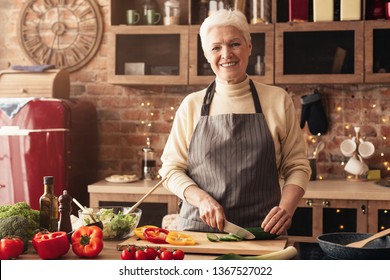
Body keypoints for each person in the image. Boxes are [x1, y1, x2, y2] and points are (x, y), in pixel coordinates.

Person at [159, 9, 311, 236]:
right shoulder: (191, 105)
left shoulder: (278, 100)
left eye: (234, 44)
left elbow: (297, 166)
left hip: (262, 232)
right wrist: (202, 200)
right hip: (199, 233)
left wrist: (286, 209)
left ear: (249, 46)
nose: (226, 54)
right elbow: (170, 171)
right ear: (206, 54)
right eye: (216, 47)